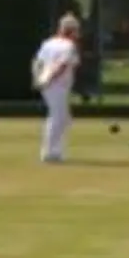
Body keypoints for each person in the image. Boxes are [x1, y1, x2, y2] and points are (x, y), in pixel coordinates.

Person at [33, 14, 82, 163]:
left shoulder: (48, 43)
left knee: (64, 118)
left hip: (50, 85)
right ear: (70, 30)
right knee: (57, 118)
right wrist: (49, 79)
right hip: (57, 85)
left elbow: (38, 62)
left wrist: (38, 78)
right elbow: (62, 65)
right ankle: (48, 152)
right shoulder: (69, 46)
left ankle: (56, 150)